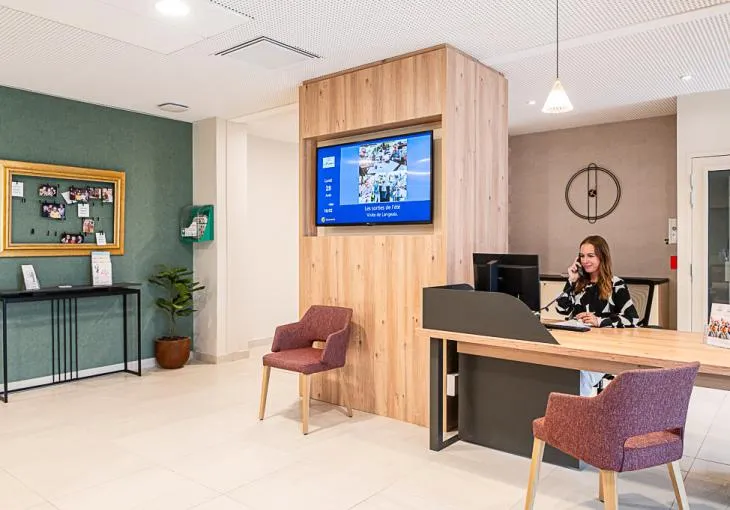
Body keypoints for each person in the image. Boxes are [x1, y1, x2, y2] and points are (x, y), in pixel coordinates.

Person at [555, 235, 640, 395]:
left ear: (602, 257)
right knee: (556, 370)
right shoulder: (579, 283)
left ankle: (580, 410)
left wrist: (599, 321)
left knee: (580, 376)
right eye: (582, 256)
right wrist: (571, 280)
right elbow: (561, 309)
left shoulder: (616, 284)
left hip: (602, 349)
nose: (585, 261)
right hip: (577, 346)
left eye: (590, 256)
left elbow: (632, 318)